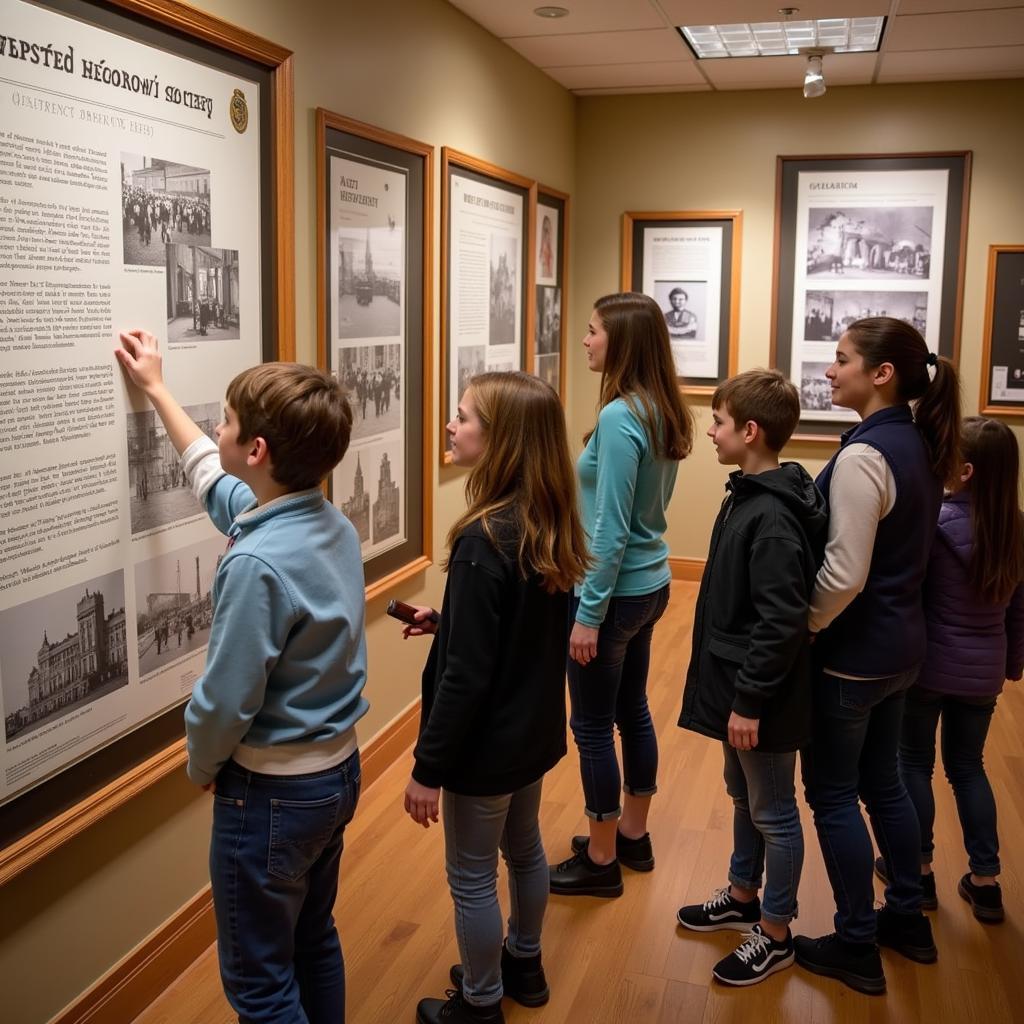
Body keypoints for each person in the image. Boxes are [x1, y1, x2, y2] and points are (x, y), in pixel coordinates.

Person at [114, 329, 367, 1024]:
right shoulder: (325, 522)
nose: (216, 429)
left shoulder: (256, 564)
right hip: (335, 774)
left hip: (273, 795)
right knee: (313, 941)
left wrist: (201, 762)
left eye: (224, 420)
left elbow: (226, 698)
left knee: (258, 982)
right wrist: (157, 388)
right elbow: (211, 480)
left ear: (257, 451)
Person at [402, 372, 590, 1024]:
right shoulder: (543, 521)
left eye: (462, 417)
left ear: (501, 437)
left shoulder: (483, 540)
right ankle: (525, 963)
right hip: (532, 733)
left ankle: (480, 1003)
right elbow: (519, 631)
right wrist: (446, 620)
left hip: (483, 749)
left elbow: (466, 677)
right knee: (527, 848)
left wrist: (428, 768)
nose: (451, 427)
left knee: (473, 875)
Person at [795, 317, 961, 996]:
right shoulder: (917, 443)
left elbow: (843, 574)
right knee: (885, 785)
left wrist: (801, 628)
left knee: (832, 794)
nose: (830, 371)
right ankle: (907, 921)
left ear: (881, 373)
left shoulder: (867, 455)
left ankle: (857, 945)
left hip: (853, 657)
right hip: (903, 651)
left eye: (841, 360)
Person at [676, 370, 826, 986]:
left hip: (759, 698)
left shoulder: (771, 518)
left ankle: (776, 930)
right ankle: (743, 894)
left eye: (718, 422)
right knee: (743, 797)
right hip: (741, 690)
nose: (710, 432)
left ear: (751, 430)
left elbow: (781, 622)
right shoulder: (750, 493)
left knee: (774, 811)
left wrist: (749, 703)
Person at [549, 291, 694, 898]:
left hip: (611, 595)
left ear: (621, 342)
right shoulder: (659, 407)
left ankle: (602, 859)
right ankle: (633, 835)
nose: (584, 341)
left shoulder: (618, 417)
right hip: (651, 585)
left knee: (590, 725)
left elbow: (607, 530)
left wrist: (587, 614)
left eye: (591, 331)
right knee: (631, 708)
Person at [884, 417, 1024, 924]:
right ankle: (986, 882)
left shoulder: (936, 525)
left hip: (929, 669)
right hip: (983, 673)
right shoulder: (1016, 527)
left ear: (963, 471)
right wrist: (1012, 662)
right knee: (968, 768)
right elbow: (1018, 608)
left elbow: (914, 596)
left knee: (914, 765)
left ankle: (918, 875)